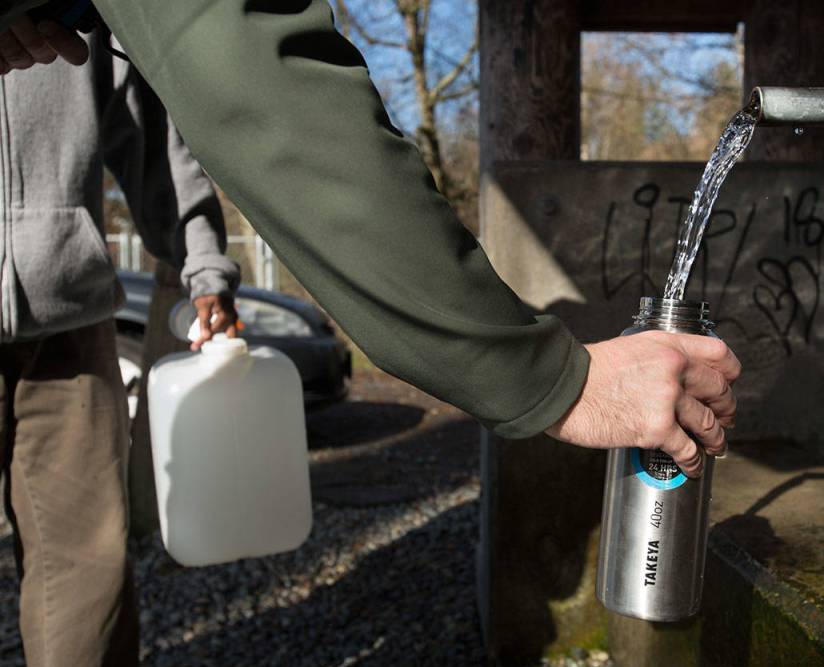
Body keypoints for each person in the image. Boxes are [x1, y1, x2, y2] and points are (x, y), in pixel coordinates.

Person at [0, 3, 739, 471]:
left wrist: (205, 269)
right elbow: (262, 89)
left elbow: (164, 127)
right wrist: (558, 383)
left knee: (84, 574)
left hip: (62, 305)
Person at [0, 31, 239, 667]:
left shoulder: (79, 12)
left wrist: (203, 263)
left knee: (85, 564)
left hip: (67, 319)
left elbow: (152, 139)